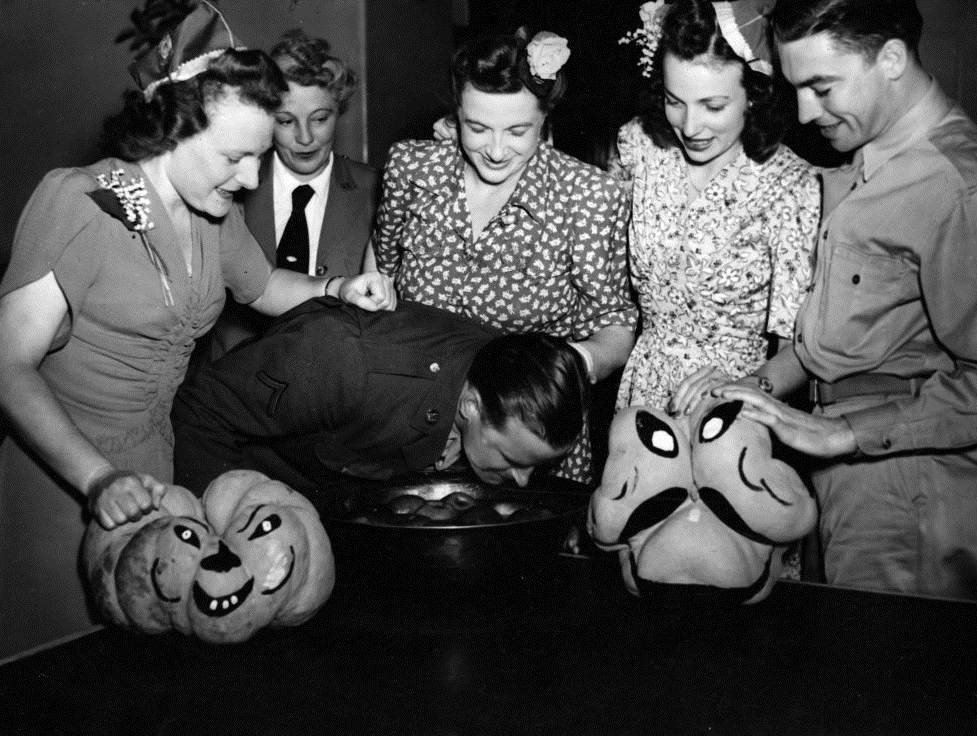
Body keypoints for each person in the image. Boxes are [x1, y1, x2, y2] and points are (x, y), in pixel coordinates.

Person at [0, 3, 394, 660]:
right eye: (235, 157)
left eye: (258, 158)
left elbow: (264, 286)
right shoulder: (78, 201)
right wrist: (98, 480)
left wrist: (337, 288)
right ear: (170, 129)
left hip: (154, 473)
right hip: (64, 480)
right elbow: (8, 365)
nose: (249, 179)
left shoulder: (213, 213)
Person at [717, 0, 977, 600]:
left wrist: (849, 435)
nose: (806, 111)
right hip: (848, 477)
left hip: (910, 492)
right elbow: (842, 339)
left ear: (890, 58)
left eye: (822, 86)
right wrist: (754, 390)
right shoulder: (868, 156)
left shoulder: (954, 186)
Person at [367, 28, 638, 485]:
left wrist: (571, 365)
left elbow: (615, 326)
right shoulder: (411, 169)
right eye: (476, 128)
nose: (494, 151)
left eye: (517, 131)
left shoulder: (589, 197)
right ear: (456, 111)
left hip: (527, 444)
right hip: (411, 423)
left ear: (545, 120)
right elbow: (379, 267)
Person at [614, 0, 820, 417]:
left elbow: (799, 351)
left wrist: (744, 388)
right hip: (643, 392)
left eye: (713, 107)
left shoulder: (791, 186)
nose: (690, 127)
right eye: (675, 101)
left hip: (737, 409)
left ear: (753, 96)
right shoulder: (639, 147)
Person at [171, 298, 588, 496]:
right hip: (254, 476)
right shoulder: (345, 361)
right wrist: (230, 514)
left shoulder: (502, 366)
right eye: (514, 461)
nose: (522, 480)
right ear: (471, 406)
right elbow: (197, 414)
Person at [203, 29, 380, 362]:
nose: (305, 137)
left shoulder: (377, 190)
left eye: (320, 119)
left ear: (339, 111)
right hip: (236, 378)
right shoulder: (231, 187)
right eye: (285, 121)